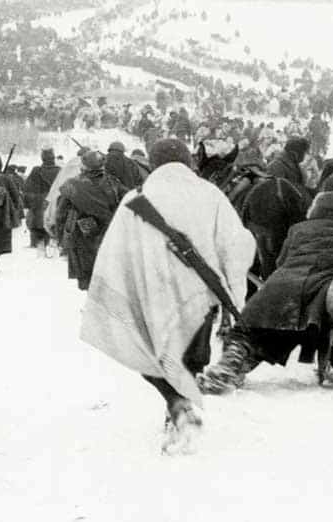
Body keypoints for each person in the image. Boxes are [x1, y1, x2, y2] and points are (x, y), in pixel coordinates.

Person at [80, 138, 256, 455]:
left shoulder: (137, 197)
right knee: (191, 357)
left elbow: (116, 251)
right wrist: (234, 294)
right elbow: (238, 245)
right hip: (201, 295)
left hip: (152, 292)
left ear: (154, 162)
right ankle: (180, 410)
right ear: (189, 161)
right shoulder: (211, 195)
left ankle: (176, 407)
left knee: (147, 353)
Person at [198, 191, 333, 394]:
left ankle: (231, 364)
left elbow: (280, 260)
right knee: (302, 329)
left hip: (278, 289)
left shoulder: (298, 230)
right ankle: (233, 366)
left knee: (251, 332)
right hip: (320, 297)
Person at [54, 150, 127, 290]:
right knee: (108, 274)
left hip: (82, 237)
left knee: (88, 276)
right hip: (109, 234)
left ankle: (91, 304)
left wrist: (60, 239)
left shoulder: (72, 185)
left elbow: (60, 215)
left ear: (84, 166)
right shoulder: (113, 182)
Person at [23, 148, 61, 256]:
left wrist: (28, 203)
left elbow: (27, 188)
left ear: (42, 158)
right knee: (53, 224)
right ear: (53, 158)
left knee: (38, 226)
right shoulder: (59, 171)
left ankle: (41, 248)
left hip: (38, 203)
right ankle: (53, 246)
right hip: (54, 202)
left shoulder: (36, 171)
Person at [267, 137, 312, 205]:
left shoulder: (296, 164)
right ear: (294, 154)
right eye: (304, 153)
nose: (305, 156)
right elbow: (275, 193)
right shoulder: (276, 166)